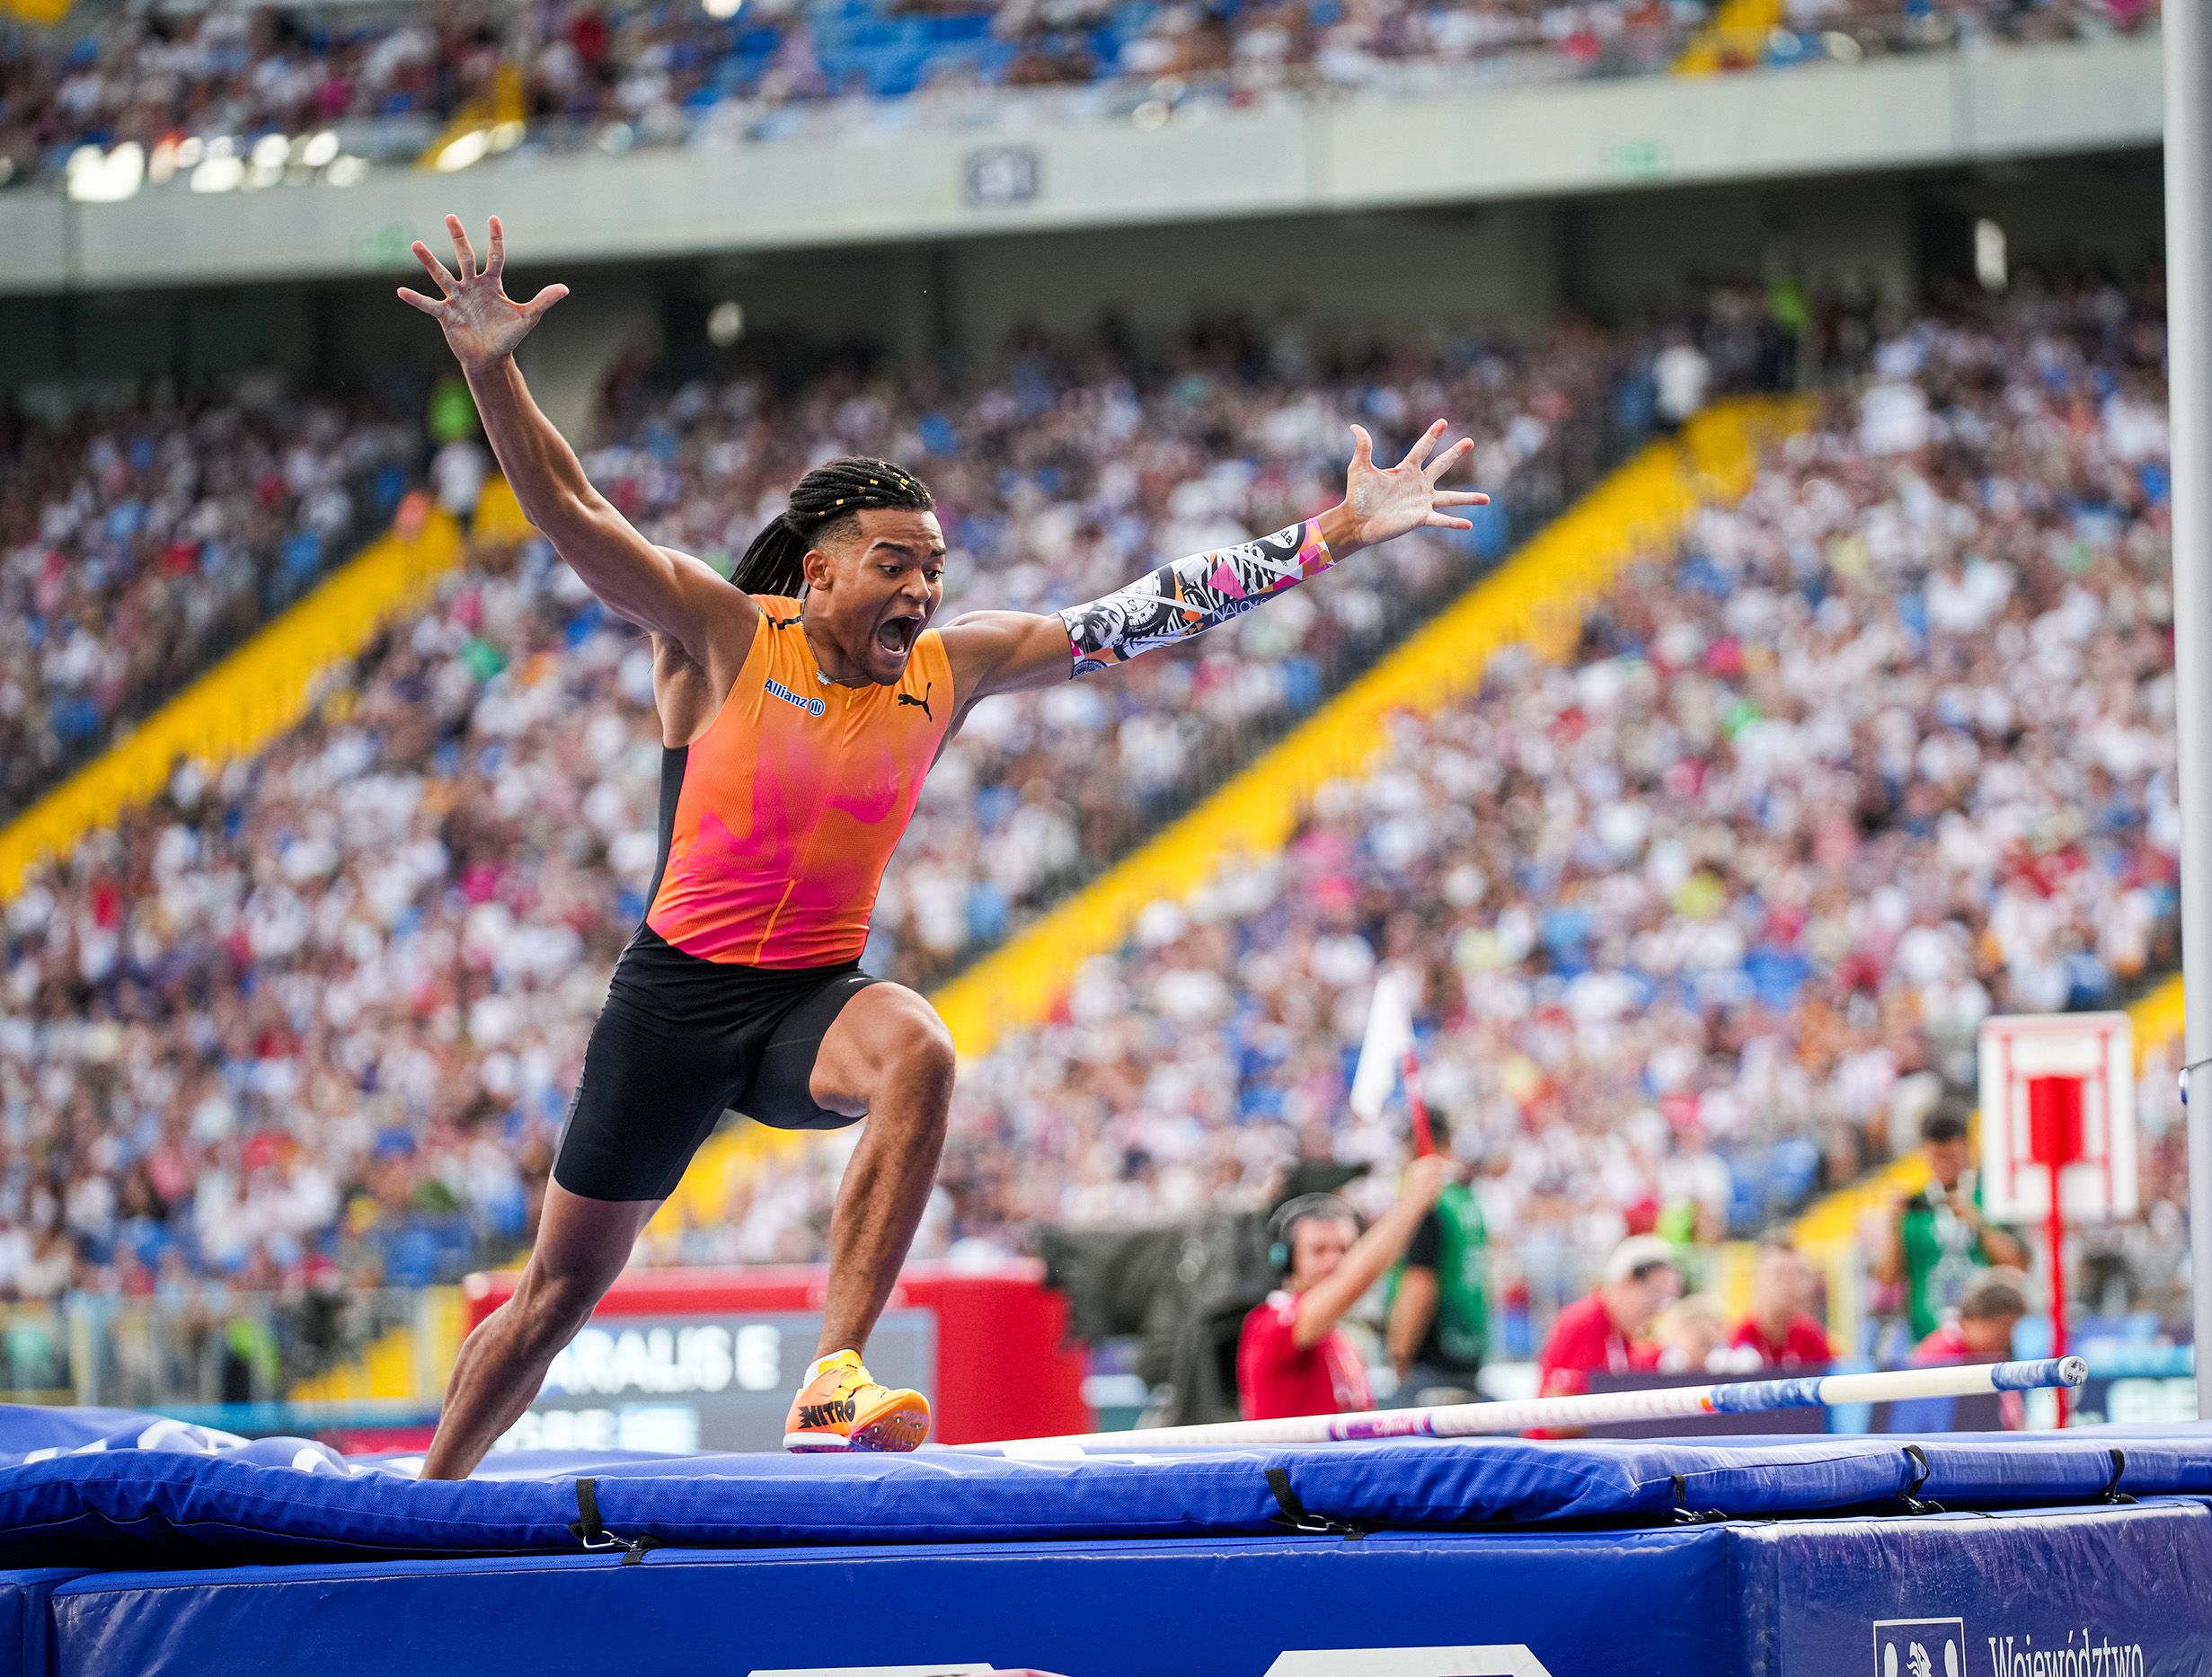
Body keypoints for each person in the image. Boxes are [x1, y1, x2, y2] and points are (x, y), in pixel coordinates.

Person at [395, 215, 1487, 1476]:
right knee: (555, 1295)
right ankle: (428, 1499)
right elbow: (569, 507)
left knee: (918, 1042)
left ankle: (833, 1376)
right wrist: (491, 367)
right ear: (816, 574)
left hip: (810, 995)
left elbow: (1141, 615)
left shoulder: (951, 669)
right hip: (673, 1003)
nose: (921, 589)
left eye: (936, 568)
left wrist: (1330, 536)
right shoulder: (720, 633)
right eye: (894, 565)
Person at [1238, 1159, 1462, 1422]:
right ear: (1285, 1259)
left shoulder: (1340, 1339)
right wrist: (1412, 1203)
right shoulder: (1268, 1325)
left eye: (1344, 1249)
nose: (1333, 1261)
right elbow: (1354, 1277)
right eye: (1319, 1250)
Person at [1879, 1102, 2028, 1353]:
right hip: (1929, 1343)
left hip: (1990, 1346)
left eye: (1950, 1157)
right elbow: (1887, 1278)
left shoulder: (1994, 1199)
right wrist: (1893, 1226)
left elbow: (2018, 1266)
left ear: (1968, 1149)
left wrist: (1978, 1223)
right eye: (1935, 1158)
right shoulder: (1915, 1208)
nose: (1943, 1166)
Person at [1383, 1108, 1489, 1406]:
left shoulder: (1429, 1205)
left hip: (1430, 1357)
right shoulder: (1466, 1201)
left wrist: (1400, 1353)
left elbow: (1420, 1284)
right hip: (1466, 1347)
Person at [1537, 1234, 1679, 1399]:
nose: (1656, 1309)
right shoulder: (1585, 1320)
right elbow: (1559, 1402)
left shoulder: (1619, 1331)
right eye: (1654, 1295)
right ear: (1627, 1282)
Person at [1730, 1240, 1834, 1369]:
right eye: (1779, 1275)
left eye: (1798, 1275)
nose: (1789, 1285)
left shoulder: (1811, 1337)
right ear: (1756, 1280)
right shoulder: (1738, 1341)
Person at [1909, 1267, 2030, 1364]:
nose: (2007, 1336)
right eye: (2002, 1327)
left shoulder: (2005, 1353)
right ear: (1967, 1322)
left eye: (2012, 1328)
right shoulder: (1939, 1354)